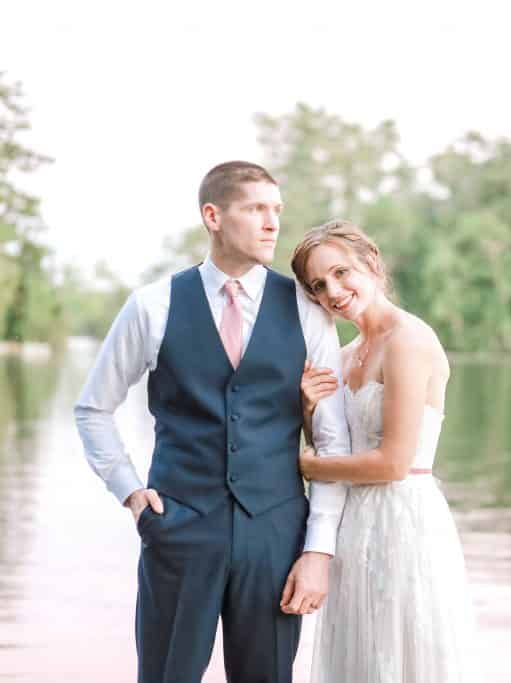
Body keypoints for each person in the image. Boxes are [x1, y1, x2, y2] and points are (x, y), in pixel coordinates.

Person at [73, 161, 350, 683]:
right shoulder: (151, 306)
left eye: (277, 211)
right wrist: (131, 493)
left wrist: (318, 550)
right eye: (256, 209)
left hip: (275, 534)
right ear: (213, 216)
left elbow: (333, 440)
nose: (272, 223)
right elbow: (93, 409)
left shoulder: (308, 310)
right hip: (179, 526)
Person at [291, 219, 478, 682]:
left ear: (371, 263)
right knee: (358, 661)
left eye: (341, 273)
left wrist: (304, 466)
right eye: (318, 285)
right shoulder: (344, 354)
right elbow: (335, 445)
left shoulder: (409, 340)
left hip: (405, 525)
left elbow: (394, 463)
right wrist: (308, 409)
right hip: (355, 528)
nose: (332, 291)